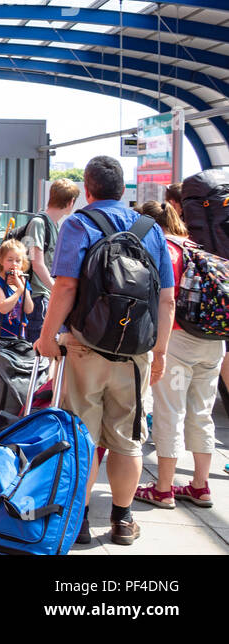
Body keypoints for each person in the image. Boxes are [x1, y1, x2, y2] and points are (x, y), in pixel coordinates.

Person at [34, 156, 175, 547]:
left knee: (82, 435)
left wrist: (48, 338)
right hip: (134, 354)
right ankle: (122, 520)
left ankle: (77, 520)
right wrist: (159, 352)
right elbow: (166, 299)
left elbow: (65, 287)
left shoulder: (79, 223)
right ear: (123, 190)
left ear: (88, 189)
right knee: (127, 439)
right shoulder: (151, 230)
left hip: (84, 347)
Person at [133, 201, 224, 512]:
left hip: (177, 340)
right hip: (213, 340)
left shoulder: (165, 250)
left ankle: (163, 488)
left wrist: (157, 348)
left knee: (169, 412)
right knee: (202, 413)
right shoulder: (196, 246)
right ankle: (200, 485)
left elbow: (165, 302)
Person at [23, 179, 79, 344]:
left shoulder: (52, 224)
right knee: (37, 351)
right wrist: (57, 290)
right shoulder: (39, 223)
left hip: (44, 295)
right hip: (38, 296)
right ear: (71, 202)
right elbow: (37, 263)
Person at [0, 239, 33, 343]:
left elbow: (29, 309)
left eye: (18, 261)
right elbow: (3, 308)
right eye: (10, 260)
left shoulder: (23, 282)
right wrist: (19, 291)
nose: (14, 264)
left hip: (19, 336)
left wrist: (23, 287)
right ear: (1, 261)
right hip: (0, 335)